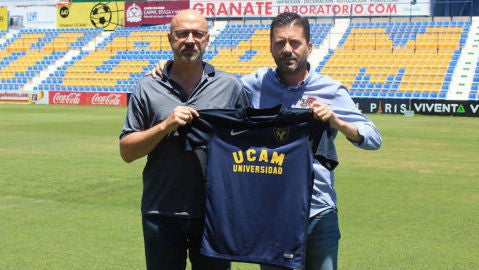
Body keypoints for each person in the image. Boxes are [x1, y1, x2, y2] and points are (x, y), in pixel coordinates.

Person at [150, 12, 382, 270]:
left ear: (309, 47)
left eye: (294, 43)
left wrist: (337, 122)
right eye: (280, 43)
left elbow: (373, 137)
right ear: (271, 47)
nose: (287, 49)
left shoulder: (331, 90)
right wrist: (171, 67)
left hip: (318, 213)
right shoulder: (253, 85)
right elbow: (216, 86)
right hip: (273, 214)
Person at [119, 9, 249, 270]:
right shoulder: (147, 87)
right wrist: (164, 125)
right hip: (161, 212)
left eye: (197, 34)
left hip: (214, 212)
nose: (190, 39)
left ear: (207, 39)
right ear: (170, 39)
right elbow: (127, 152)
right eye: (182, 34)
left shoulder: (230, 86)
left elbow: (246, 146)